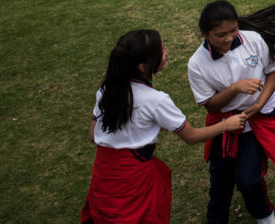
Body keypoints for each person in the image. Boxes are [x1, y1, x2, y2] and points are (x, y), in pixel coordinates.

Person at [81, 30, 247, 224]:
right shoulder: (156, 100)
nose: (167, 51)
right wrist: (225, 125)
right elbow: (191, 136)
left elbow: (94, 135)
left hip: (104, 174)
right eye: (161, 50)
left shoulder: (106, 89)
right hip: (134, 180)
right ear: (143, 66)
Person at [187, 0, 275, 224]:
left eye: (233, 30)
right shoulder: (197, 63)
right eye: (221, 34)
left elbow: (274, 70)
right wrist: (235, 88)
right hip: (224, 122)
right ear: (205, 33)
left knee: (248, 180)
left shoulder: (253, 40)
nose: (229, 38)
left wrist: (259, 104)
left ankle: (265, 215)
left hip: (259, 116)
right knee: (220, 180)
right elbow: (210, 105)